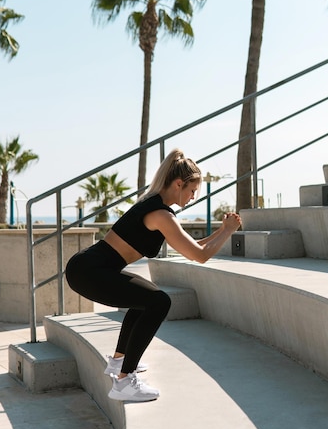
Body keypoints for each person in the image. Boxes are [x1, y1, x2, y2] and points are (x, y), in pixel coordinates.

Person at [65, 149, 241, 403]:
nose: (193, 197)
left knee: (146, 298)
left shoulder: (157, 207)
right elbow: (200, 255)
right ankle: (124, 381)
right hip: (90, 271)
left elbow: (193, 246)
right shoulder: (162, 215)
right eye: (192, 190)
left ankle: (119, 362)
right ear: (179, 184)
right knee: (159, 302)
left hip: (88, 267)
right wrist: (228, 232)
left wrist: (223, 230)